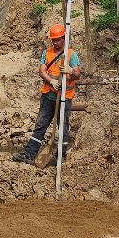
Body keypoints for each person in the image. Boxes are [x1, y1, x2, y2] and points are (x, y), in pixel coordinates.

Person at [17, 23, 81, 164]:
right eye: (53, 40)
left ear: (64, 38)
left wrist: (70, 71)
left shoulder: (71, 54)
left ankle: (61, 157)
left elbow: (77, 74)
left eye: (58, 40)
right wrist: (51, 81)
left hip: (64, 98)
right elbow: (42, 71)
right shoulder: (48, 53)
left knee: (63, 129)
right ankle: (29, 154)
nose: (55, 42)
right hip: (48, 97)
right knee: (40, 125)